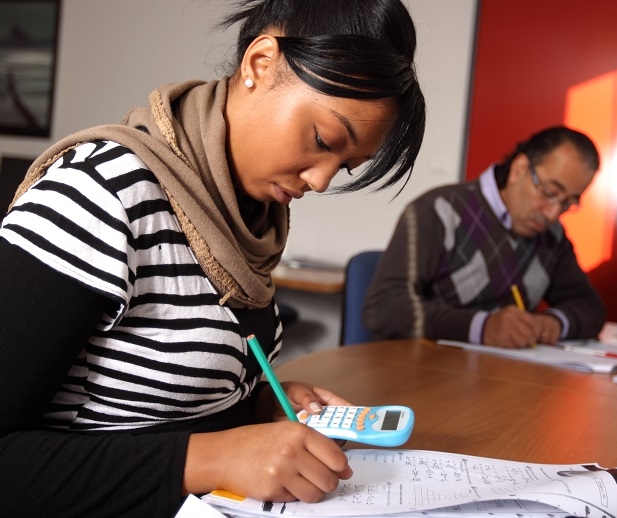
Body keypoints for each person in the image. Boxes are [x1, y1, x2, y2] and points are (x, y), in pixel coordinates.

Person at [0, 1, 425, 516]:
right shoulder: (99, 195)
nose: (320, 181)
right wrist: (210, 458)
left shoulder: (248, 216)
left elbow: (155, 402)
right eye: (323, 140)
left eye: (346, 166)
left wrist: (259, 405)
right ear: (260, 63)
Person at [364, 126, 605, 349]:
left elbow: (590, 307)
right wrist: (482, 328)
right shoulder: (438, 211)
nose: (553, 213)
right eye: (550, 192)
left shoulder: (552, 236)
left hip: (500, 372)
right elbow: (383, 308)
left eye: (568, 203)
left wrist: (553, 323)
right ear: (519, 168)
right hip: (423, 366)